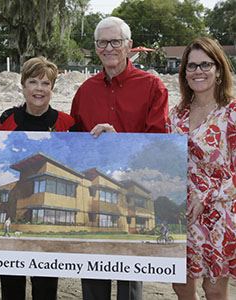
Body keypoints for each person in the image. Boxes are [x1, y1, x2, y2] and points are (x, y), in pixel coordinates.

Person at [70, 16, 168, 300]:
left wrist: (121, 140)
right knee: (93, 281)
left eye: (115, 41)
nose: (108, 48)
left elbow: (159, 143)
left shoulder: (152, 86)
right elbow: (74, 142)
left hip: (132, 194)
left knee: (129, 285)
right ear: (96, 47)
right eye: (102, 42)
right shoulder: (85, 90)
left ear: (129, 46)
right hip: (95, 195)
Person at [0, 56, 75, 300]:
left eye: (45, 83)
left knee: (45, 288)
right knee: (11, 287)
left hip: (46, 223)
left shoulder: (67, 124)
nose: (39, 89)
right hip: (16, 204)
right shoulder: (7, 119)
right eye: (33, 82)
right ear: (23, 86)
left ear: (52, 88)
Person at [167, 37, 236, 300]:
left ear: (219, 70)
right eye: (192, 66)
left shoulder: (231, 113)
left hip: (219, 211)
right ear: (184, 73)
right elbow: (166, 159)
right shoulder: (177, 114)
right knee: (181, 285)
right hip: (181, 213)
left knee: (214, 290)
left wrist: (205, 196)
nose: (198, 71)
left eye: (206, 64)